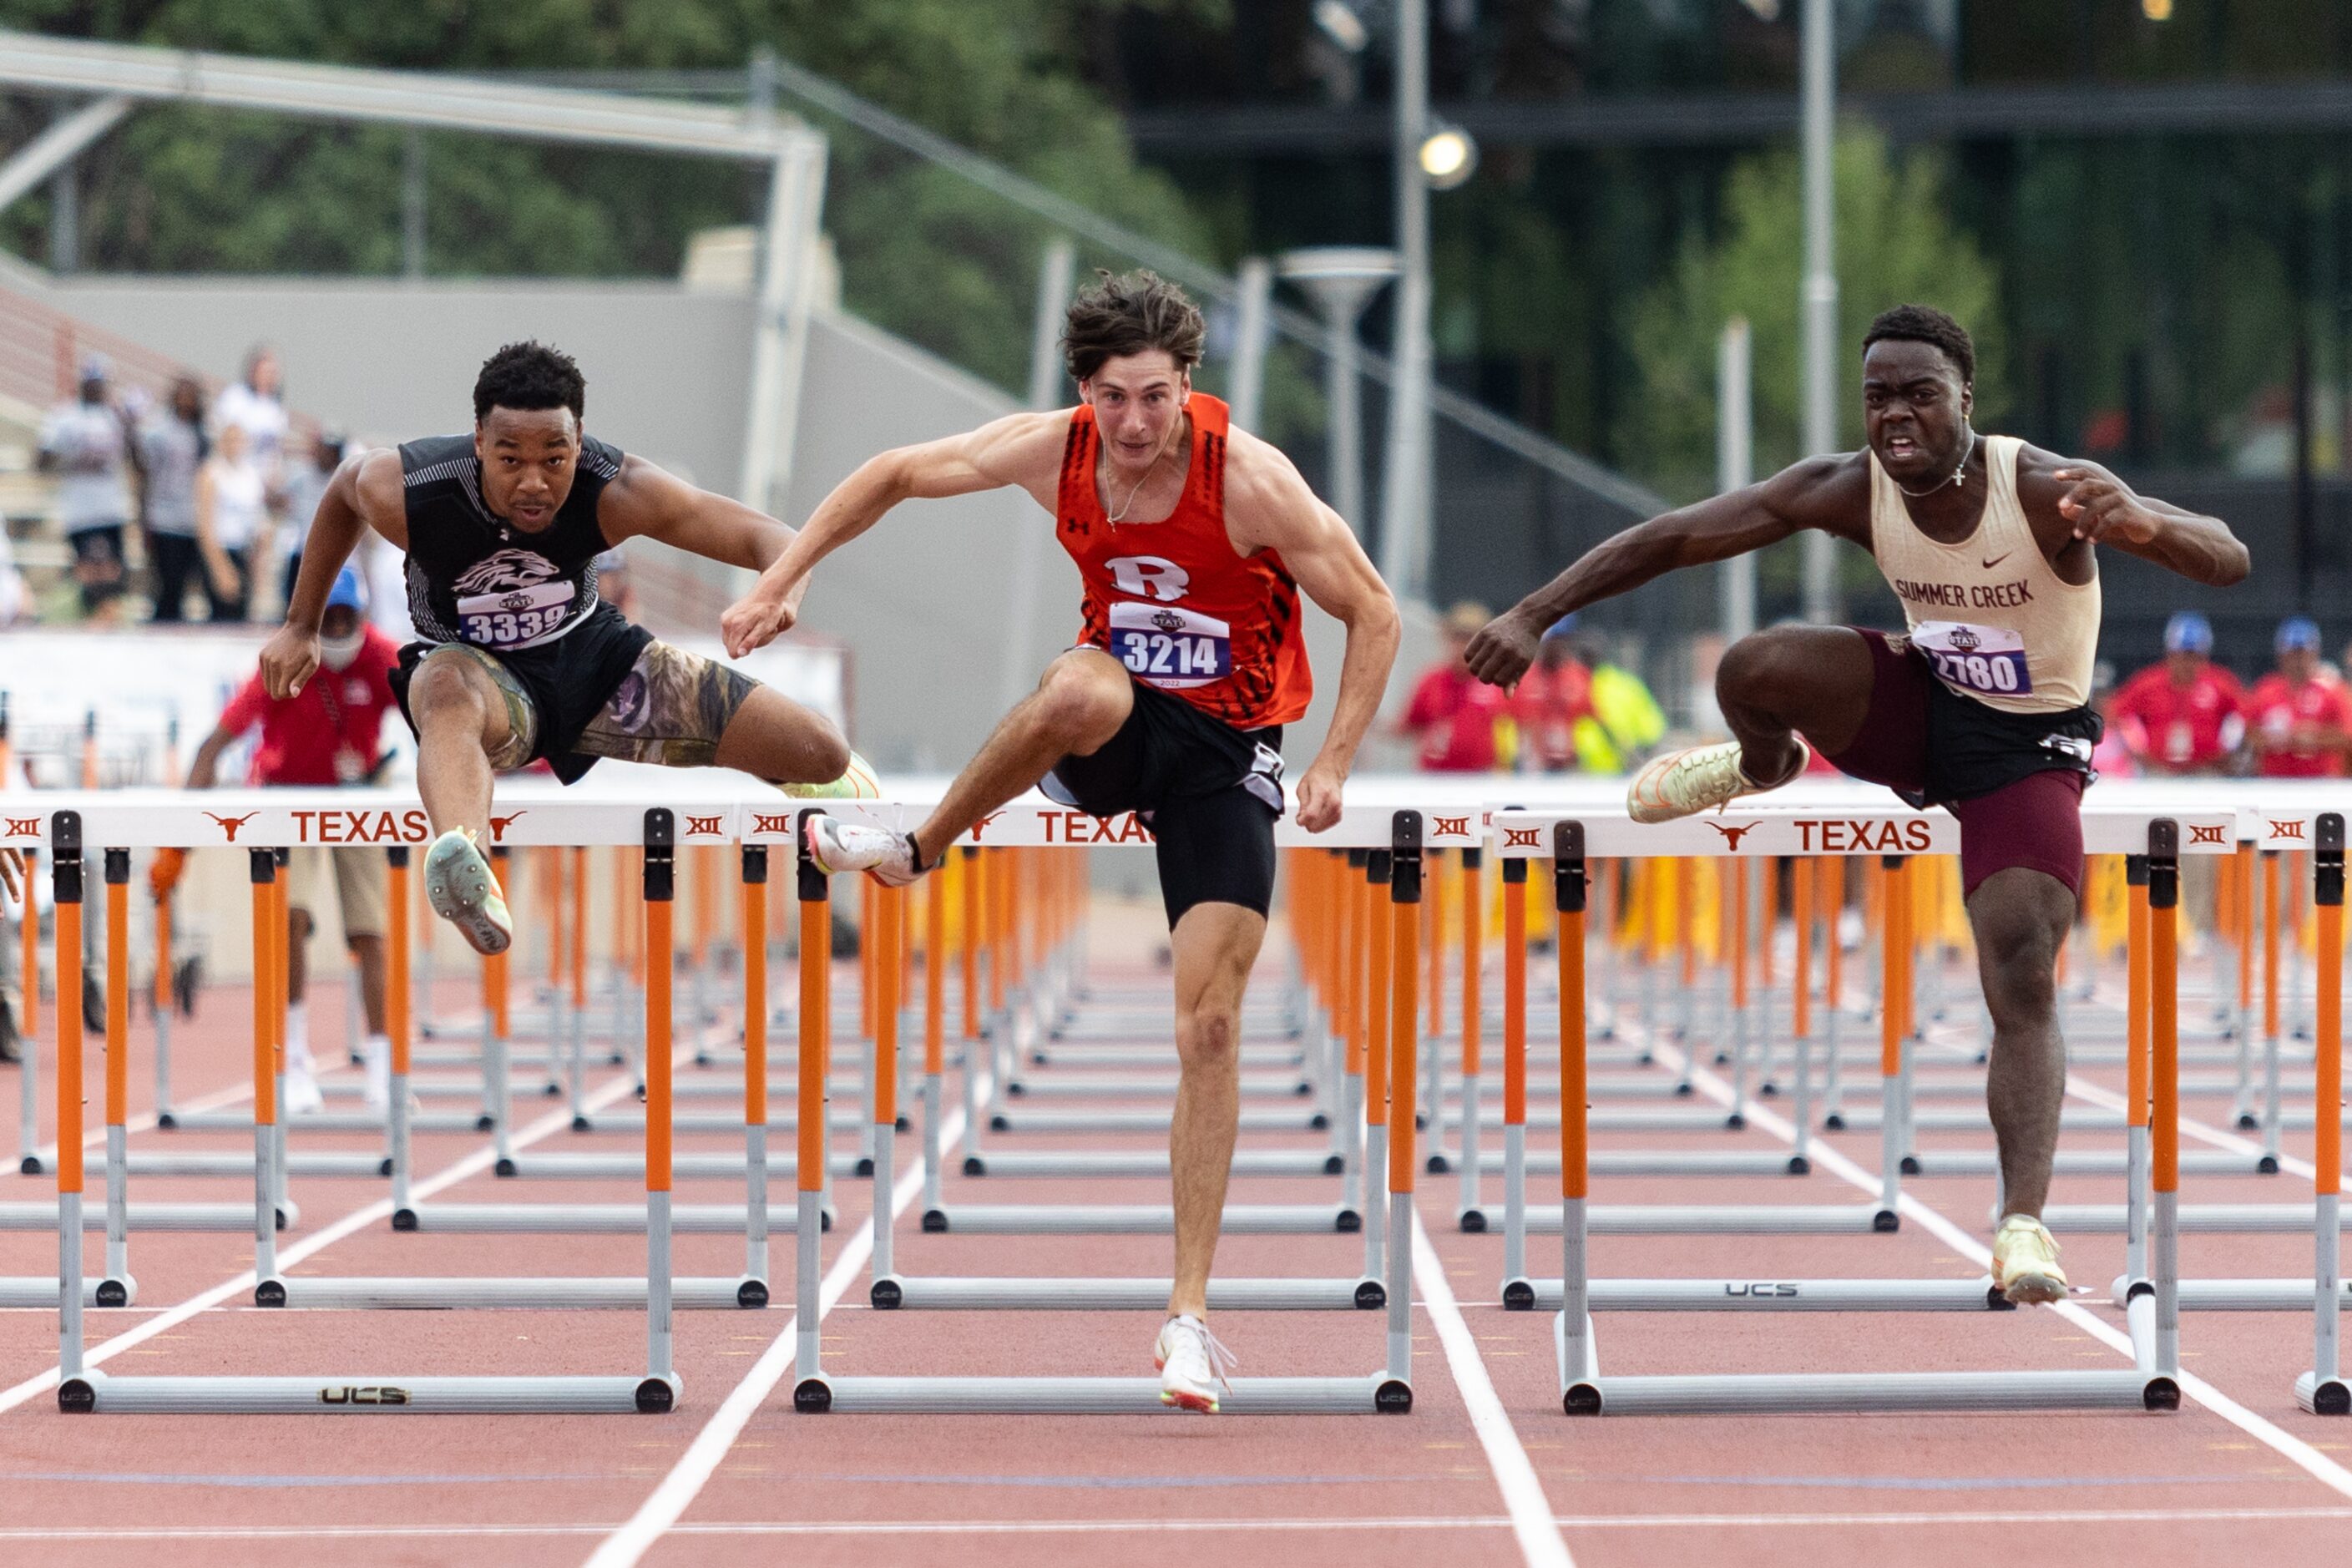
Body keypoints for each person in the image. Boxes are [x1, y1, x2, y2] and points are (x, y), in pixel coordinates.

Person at [1464, 303, 2248, 1305]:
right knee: (1758, 665)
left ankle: (2023, 1227)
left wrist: (2145, 522)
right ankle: (1760, 765)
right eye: (1878, 396)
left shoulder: (2044, 487)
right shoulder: (1849, 486)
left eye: (1921, 393)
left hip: (2028, 745)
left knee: (2022, 961)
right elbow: (1676, 536)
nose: (1896, 416)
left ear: (1966, 398)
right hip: (1922, 706)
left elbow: (2226, 555)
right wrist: (1536, 612)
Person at [719, 270, 1400, 1412]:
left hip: (1230, 752)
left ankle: (1186, 1317)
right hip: (1118, 717)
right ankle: (920, 848)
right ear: (1082, 390)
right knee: (1079, 689)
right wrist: (784, 579)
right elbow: (893, 474)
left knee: (1213, 1023)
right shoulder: (1057, 450)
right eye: (1112, 398)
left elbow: (1373, 611)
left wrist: (1331, 760)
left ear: (1190, 386)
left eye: (1155, 398)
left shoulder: (1254, 481)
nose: (1134, 426)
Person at [259, 341, 877, 958]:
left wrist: (778, 592)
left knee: (820, 752)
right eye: (510, 460)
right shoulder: (416, 489)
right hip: (478, 673)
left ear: (578, 441)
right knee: (443, 690)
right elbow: (343, 488)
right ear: (478, 442)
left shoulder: (617, 490)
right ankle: (464, 859)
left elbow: (776, 539)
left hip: (600, 665)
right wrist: (299, 624)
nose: (533, 483)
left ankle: (798, 772)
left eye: (554, 459)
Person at [173, 569, 398, 1112]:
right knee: (289, 921)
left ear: (363, 617)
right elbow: (213, 746)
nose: (339, 627)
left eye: (348, 617)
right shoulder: (284, 659)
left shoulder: (384, 657)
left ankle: (384, 1066)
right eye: (330, 618)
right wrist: (175, 846)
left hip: (358, 797)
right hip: (285, 800)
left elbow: (432, 721)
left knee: (370, 932)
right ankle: (294, 1058)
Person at [36, 357, 136, 620]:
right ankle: (80, 621)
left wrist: (129, 425)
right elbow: (41, 460)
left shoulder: (115, 416)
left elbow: (135, 458)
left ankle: (112, 621)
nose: (95, 388)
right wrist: (68, 451)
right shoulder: (65, 416)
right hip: (80, 512)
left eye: (100, 383)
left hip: (110, 509)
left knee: (114, 575)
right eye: (91, 382)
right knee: (83, 576)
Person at [2107, 612, 2244, 776]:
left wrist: (2225, 751)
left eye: (2193, 656)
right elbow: (2120, 716)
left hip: (2207, 773)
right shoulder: (2148, 684)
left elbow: (2242, 717)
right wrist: (2141, 753)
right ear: (2169, 654)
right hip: (2157, 772)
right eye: (2180, 656)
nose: (2186, 663)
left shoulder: (2221, 684)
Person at [1400, 602, 1513, 771]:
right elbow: (1411, 724)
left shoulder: (1497, 682)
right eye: (1458, 637)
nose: (1463, 645)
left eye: (1469, 638)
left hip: (1482, 777)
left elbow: (1517, 728)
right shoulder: (1432, 680)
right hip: (1436, 777)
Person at [137, 377, 209, 623]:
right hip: (164, 517)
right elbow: (145, 476)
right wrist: (144, 518)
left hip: (191, 518)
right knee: (167, 581)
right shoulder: (159, 432)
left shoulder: (201, 434)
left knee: (185, 582)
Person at [2243, 616, 2347, 778]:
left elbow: (2346, 736)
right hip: (2274, 781)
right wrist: (2276, 738)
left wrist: (2313, 737)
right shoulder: (2266, 690)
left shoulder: (2331, 690)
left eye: (2303, 654)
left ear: (2315, 653)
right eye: (2293, 654)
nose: (2298, 661)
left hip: (2321, 781)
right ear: (2281, 655)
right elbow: (2248, 734)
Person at [195, 418, 270, 622]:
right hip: (221, 549)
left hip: (244, 550)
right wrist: (220, 568)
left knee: (242, 616)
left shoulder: (251, 475)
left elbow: (259, 520)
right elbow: (205, 524)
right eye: (229, 440)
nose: (234, 445)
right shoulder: (212, 473)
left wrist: (259, 562)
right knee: (223, 614)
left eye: (238, 440)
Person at [1510, 618, 1595, 773]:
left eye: (1563, 640)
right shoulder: (1524, 677)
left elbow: (1589, 720)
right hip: (1532, 766)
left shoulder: (1579, 675)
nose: (1558, 646)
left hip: (1569, 763)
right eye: (1554, 639)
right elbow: (1514, 722)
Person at [277, 427, 346, 609]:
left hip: (332, 553)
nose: (327, 455)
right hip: (303, 549)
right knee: (294, 604)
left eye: (332, 452)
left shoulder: (342, 479)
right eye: (324, 450)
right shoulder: (301, 477)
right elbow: (279, 499)